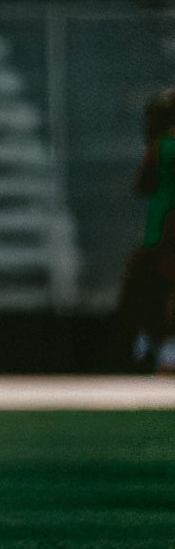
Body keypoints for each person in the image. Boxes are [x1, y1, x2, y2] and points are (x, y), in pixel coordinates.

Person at [119, 89, 175, 371]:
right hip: (163, 224)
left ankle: (160, 345)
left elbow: (141, 183)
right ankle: (158, 345)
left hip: (166, 224)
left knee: (159, 284)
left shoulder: (162, 145)